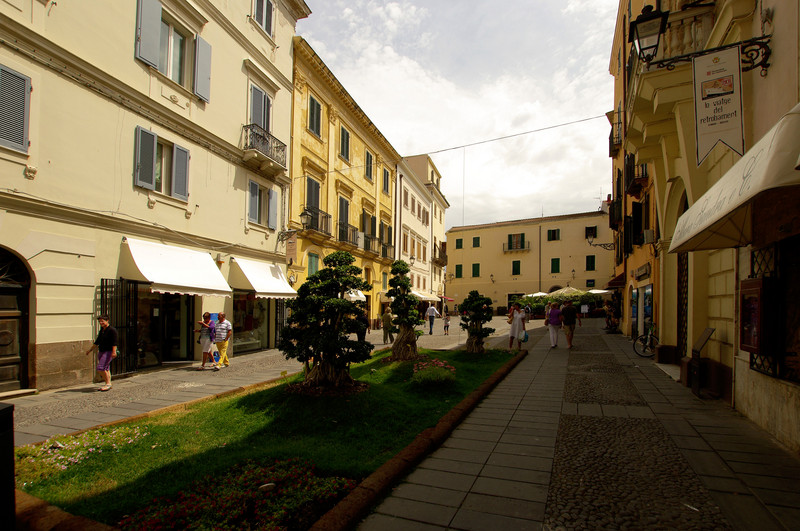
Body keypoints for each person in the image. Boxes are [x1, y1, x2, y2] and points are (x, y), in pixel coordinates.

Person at [85, 314, 117, 391]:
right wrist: (90, 350)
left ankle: (108, 384)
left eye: (102, 321)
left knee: (101, 368)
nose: (101, 323)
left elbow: (114, 342)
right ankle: (109, 383)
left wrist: (114, 352)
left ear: (107, 320)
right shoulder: (102, 330)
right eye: (99, 321)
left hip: (108, 351)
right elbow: (97, 341)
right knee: (106, 368)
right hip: (102, 350)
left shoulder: (112, 330)